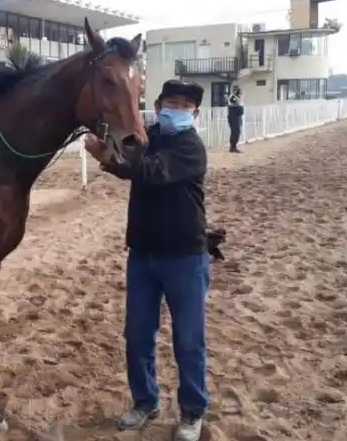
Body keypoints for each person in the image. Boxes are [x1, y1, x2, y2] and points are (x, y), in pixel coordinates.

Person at [84, 79, 210, 441]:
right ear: (157, 105)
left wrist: (110, 158)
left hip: (185, 255)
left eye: (185, 105)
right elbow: (129, 159)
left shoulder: (191, 147)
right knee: (137, 335)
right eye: (171, 102)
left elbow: (150, 171)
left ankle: (192, 411)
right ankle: (145, 401)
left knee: (189, 340)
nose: (177, 110)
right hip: (142, 253)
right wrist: (108, 154)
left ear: (195, 113)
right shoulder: (147, 136)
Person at [227, 84, 243, 153]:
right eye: (237, 89)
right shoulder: (232, 97)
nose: (239, 91)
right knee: (234, 132)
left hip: (237, 116)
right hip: (233, 116)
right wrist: (240, 98)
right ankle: (232, 147)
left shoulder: (236, 96)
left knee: (237, 132)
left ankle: (234, 146)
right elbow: (236, 102)